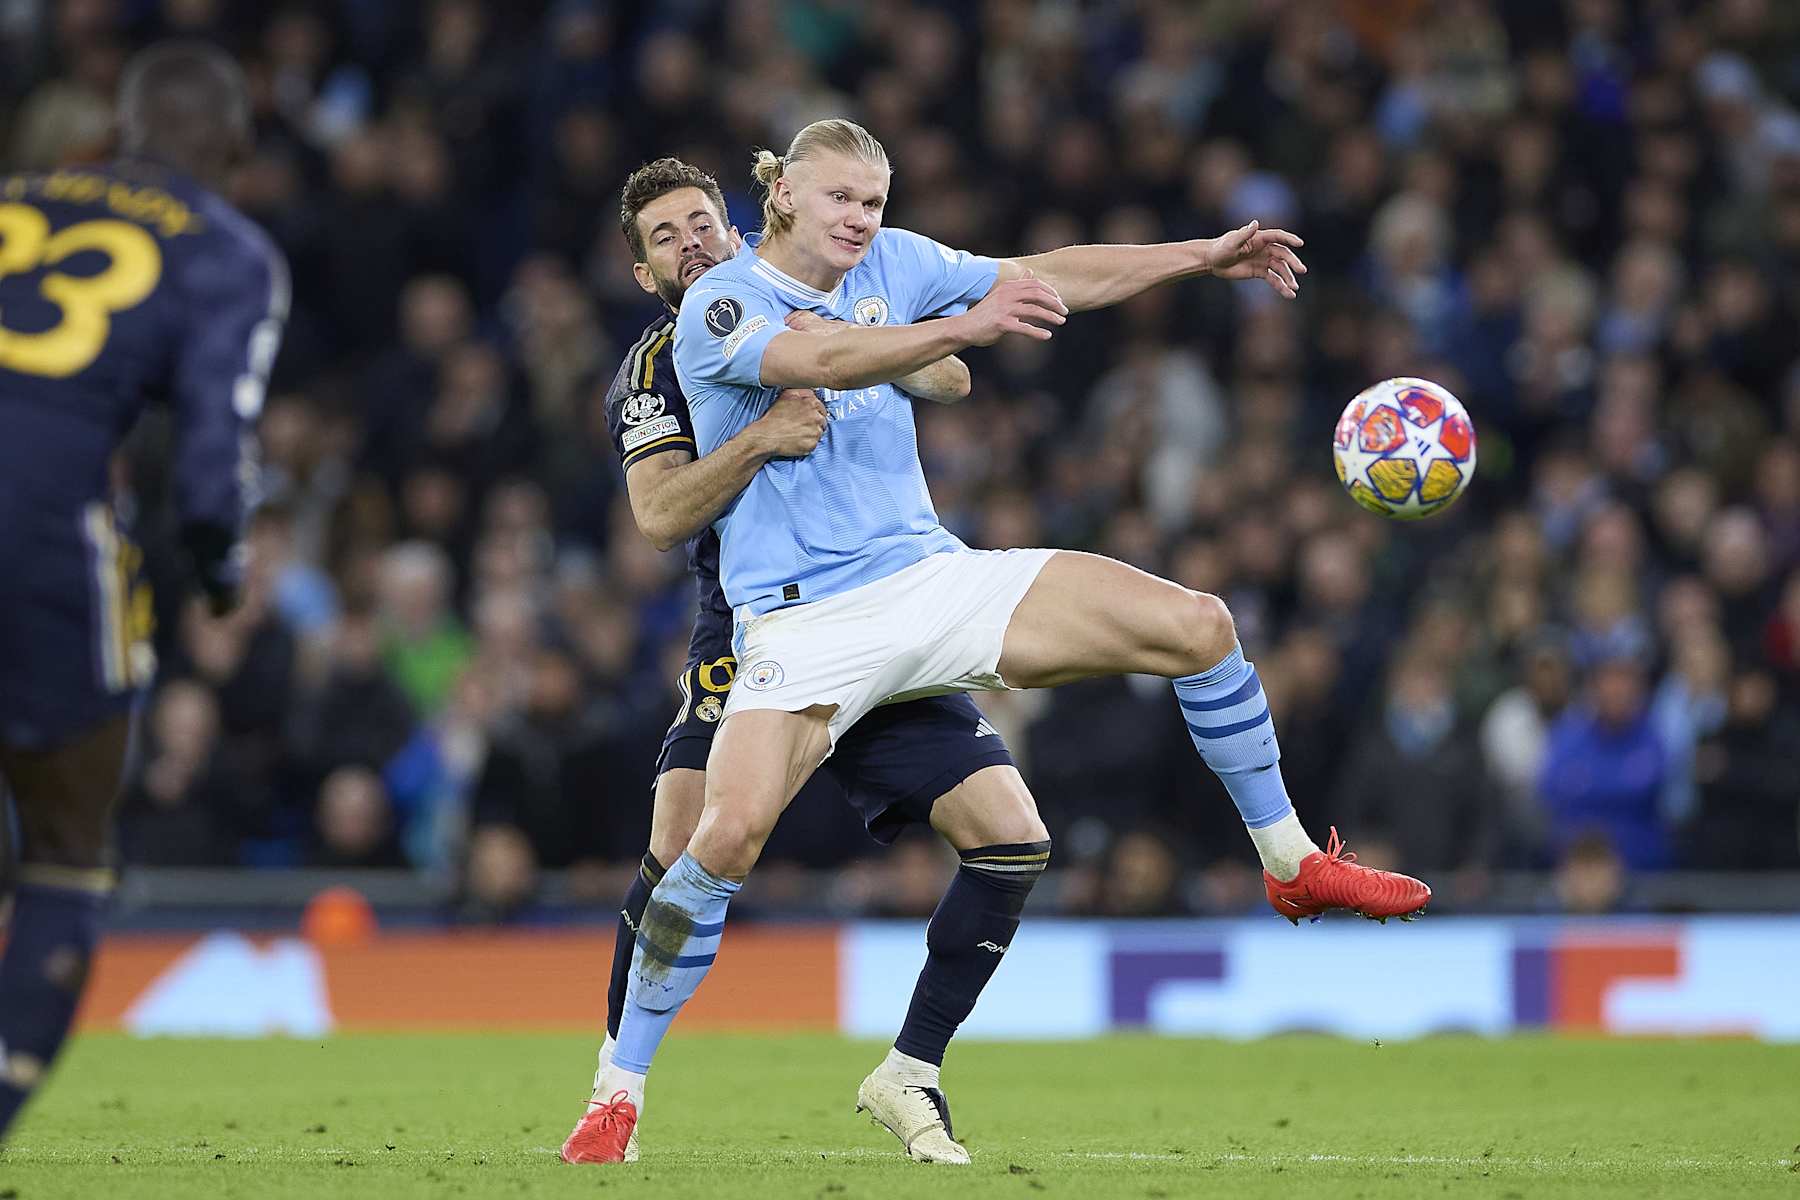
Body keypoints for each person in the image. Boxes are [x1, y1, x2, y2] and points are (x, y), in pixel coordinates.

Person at [584, 118, 1431, 1164]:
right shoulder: (722, 303)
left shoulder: (894, 264)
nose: (863, 220)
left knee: (1200, 626)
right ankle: (617, 1092)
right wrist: (963, 330)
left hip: (930, 579)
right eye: (843, 199)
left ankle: (1292, 859)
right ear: (786, 195)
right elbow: (830, 356)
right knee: (719, 842)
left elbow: (1046, 275)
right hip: (800, 620)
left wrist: (1200, 257)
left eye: (877, 202)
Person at [563, 159, 1051, 1165]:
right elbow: (657, 516)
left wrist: (864, 348)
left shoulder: (818, 296)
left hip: (888, 601)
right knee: (688, 831)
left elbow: (951, 377)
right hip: (759, 622)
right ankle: (619, 1086)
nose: (691, 243)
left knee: (1010, 835)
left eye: (702, 222)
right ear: (643, 271)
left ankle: (911, 1072)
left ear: (742, 222)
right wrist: (761, 439)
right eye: (665, 237)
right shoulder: (656, 367)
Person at [0, 41, 286, 1139]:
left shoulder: (18, 200)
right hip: (39, 537)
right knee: (66, 844)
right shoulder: (226, 251)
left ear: (120, 128)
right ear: (230, 145)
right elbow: (214, 480)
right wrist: (218, 575)